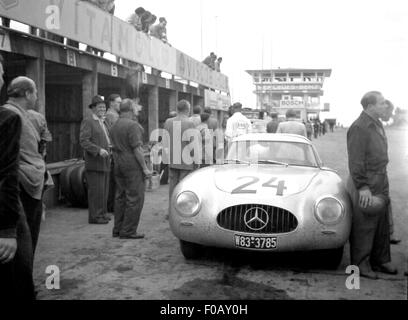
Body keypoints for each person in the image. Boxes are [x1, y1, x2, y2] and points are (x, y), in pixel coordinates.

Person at [346, 91, 397, 279]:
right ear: (370, 106)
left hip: (381, 177)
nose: (385, 105)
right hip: (367, 180)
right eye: (382, 103)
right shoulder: (360, 127)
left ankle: (381, 260)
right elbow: (356, 161)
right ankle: (360, 265)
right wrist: (363, 187)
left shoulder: (376, 124)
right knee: (364, 223)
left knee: (382, 221)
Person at [0, 56, 36, 301]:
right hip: (17, 195)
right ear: (27, 93)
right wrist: (7, 229)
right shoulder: (10, 118)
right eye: (1, 73)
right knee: (19, 265)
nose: (2, 79)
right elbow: (7, 171)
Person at [3, 77, 46, 257]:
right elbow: (29, 156)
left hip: (22, 184)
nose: (36, 96)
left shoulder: (18, 113)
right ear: (27, 94)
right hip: (23, 186)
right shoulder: (13, 116)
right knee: (24, 243)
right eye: (35, 92)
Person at [110, 99, 152, 239]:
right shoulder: (133, 125)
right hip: (131, 164)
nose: (137, 110)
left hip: (118, 162)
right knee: (135, 197)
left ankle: (118, 229)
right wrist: (145, 168)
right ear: (130, 110)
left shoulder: (115, 124)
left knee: (120, 197)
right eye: (135, 108)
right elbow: (137, 149)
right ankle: (128, 231)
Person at [79, 95, 112, 224]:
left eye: (104, 107)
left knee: (104, 191)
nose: (102, 109)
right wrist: (98, 150)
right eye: (99, 107)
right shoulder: (88, 121)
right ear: (93, 108)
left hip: (105, 161)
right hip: (95, 162)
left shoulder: (103, 121)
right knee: (96, 191)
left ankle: (103, 213)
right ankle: (95, 216)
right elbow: (84, 141)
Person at [163, 100, 196, 208]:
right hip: (186, 160)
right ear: (188, 109)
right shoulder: (190, 123)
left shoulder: (168, 122)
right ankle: (180, 210)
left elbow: (165, 141)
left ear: (177, 109)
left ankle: (171, 209)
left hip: (172, 159)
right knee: (183, 187)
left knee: (172, 185)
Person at [381, 100, 400, 245]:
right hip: (371, 177)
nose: (390, 114)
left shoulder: (379, 126)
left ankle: (388, 234)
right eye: (389, 111)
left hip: (381, 174)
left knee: (386, 204)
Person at [105, 94, 122, 213]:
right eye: (118, 102)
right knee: (114, 181)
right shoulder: (112, 115)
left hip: (113, 150)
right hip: (114, 151)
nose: (120, 104)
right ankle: (112, 205)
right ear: (111, 103)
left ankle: (111, 205)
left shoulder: (114, 115)